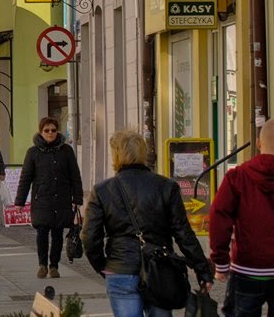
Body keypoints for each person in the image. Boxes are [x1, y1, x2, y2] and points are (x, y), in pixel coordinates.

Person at [82, 129, 213, 316]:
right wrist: (202, 271)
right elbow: (183, 234)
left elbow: (89, 236)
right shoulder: (166, 186)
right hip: (160, 269)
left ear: (116, 155)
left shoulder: (103, 190)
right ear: (143, 153)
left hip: (121, 269)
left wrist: (103, 265)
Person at [209, 118, 274, 316]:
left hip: (247, 268)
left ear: (258, 143)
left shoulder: (237, 177)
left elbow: (218, 216)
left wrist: (220, 262)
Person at [15, 116, 83, 279]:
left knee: (58, 233)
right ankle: (42, 264)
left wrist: (77, 197)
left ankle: (54, 266)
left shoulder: (66, 151)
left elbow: (75, 176)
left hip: (62, 198)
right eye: (46, 130)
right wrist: (20, 201)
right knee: (42, 232)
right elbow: (26, 178)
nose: (50, 133)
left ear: (57, 131)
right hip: (42, 199)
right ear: (41, 132)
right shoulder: (33, 152)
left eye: (53, 130)